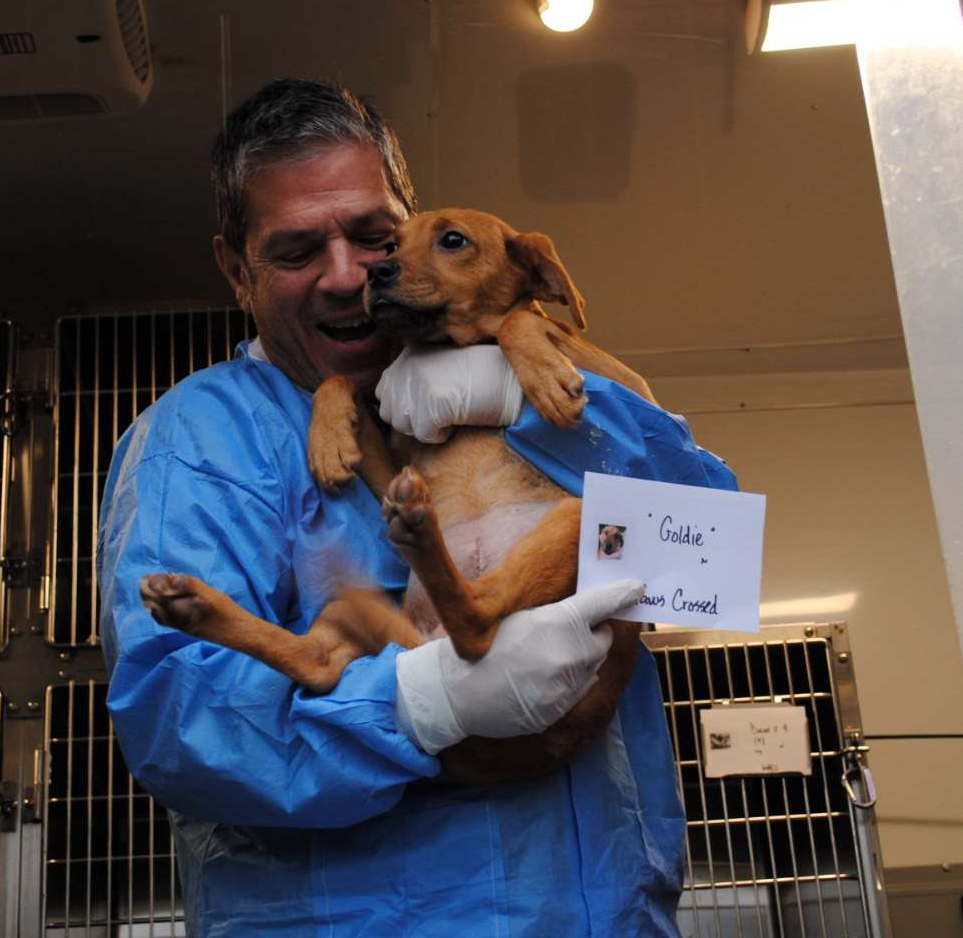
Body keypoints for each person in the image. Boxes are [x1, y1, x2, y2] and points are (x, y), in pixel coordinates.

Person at [98, 78, 736, 936]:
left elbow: (712, 559)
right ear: (236, 271)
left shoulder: (534, 372)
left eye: (373, 237)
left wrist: (520, 396)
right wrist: (421, 702)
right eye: (296, 252)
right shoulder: (204, 440)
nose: (349, 277)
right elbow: (181, 719)